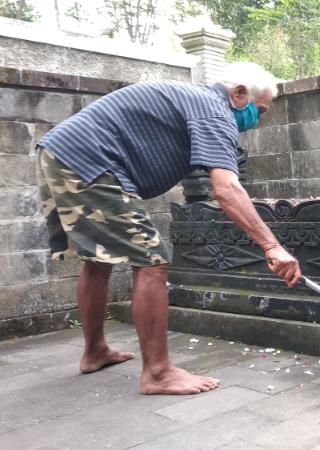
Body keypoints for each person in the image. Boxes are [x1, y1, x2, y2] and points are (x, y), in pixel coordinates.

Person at [35, 62, 301, 395]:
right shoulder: (214, 110)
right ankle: (158, 373)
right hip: (87, 160)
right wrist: (272, 246)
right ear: (239, 94)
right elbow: (227, 189)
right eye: (258, 112)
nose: (257, 120)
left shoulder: (197, 103)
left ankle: (95, 352)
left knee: (99, 256)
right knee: (152, 259)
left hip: (62, 153)